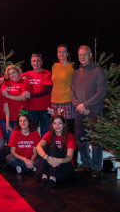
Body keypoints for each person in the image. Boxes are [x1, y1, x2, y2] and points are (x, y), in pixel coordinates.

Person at [71, 45, 106, 178]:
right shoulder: (75, 74)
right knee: (80, 138)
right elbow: (72, 93)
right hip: (79, 111)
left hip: (94, 111)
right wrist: (79, 106)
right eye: (80, 55)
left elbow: (101, 92)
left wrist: (86, 105)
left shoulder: (98, 71)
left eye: (85, 54)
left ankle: (97, 166)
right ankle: (86, 163)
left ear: (90, 55)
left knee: (96, 139)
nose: (82, 57)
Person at [36, 115, 76, 188]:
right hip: (51, 163)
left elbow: (69, 157)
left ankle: (52, 178)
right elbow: (38, 146)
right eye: (55, 123)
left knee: (53, 148)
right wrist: (47, 157)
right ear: (52, 125)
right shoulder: (49, 134)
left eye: (59, 123)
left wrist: (58, 161)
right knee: (45, 147)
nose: (57, 126)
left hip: (65, 166)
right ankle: (44, 177)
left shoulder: (69, 136)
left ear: (64, 124)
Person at [22, 53, 52, 137]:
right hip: (31, 109)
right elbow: (14, 77)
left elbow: (47, 90)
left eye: (38, 61)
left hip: (45, 109)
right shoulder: (27, 74)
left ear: (41, 62)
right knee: (32, 133)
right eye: (34, 61)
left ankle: (44, 150)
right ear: (31, 62)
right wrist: (5, 79)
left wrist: (31, 95)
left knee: (45, 134)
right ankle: (33, 150)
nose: (36, 63)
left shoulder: (47, 74)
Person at [51, 44, 75, 133]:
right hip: (54, 101)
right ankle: (58, 146)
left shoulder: (72, 67)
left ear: (68, 53)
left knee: (68, 128)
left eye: (64, 51)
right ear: (57, 54)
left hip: (67, 100)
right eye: (59, 52)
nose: (62, 53)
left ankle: (70, 146)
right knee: (56, 128)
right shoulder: (54, 66)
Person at [1, 65, 30, 135]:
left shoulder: (24, 81)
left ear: (18, 72)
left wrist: (8, 95)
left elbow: (23, 98)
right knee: (9, 136)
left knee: (19, 137)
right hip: (7, 116)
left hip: (19, 115)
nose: (11, 75)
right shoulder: (6, 83)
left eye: (13, 73)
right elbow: (1, 93)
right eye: (9, 74)